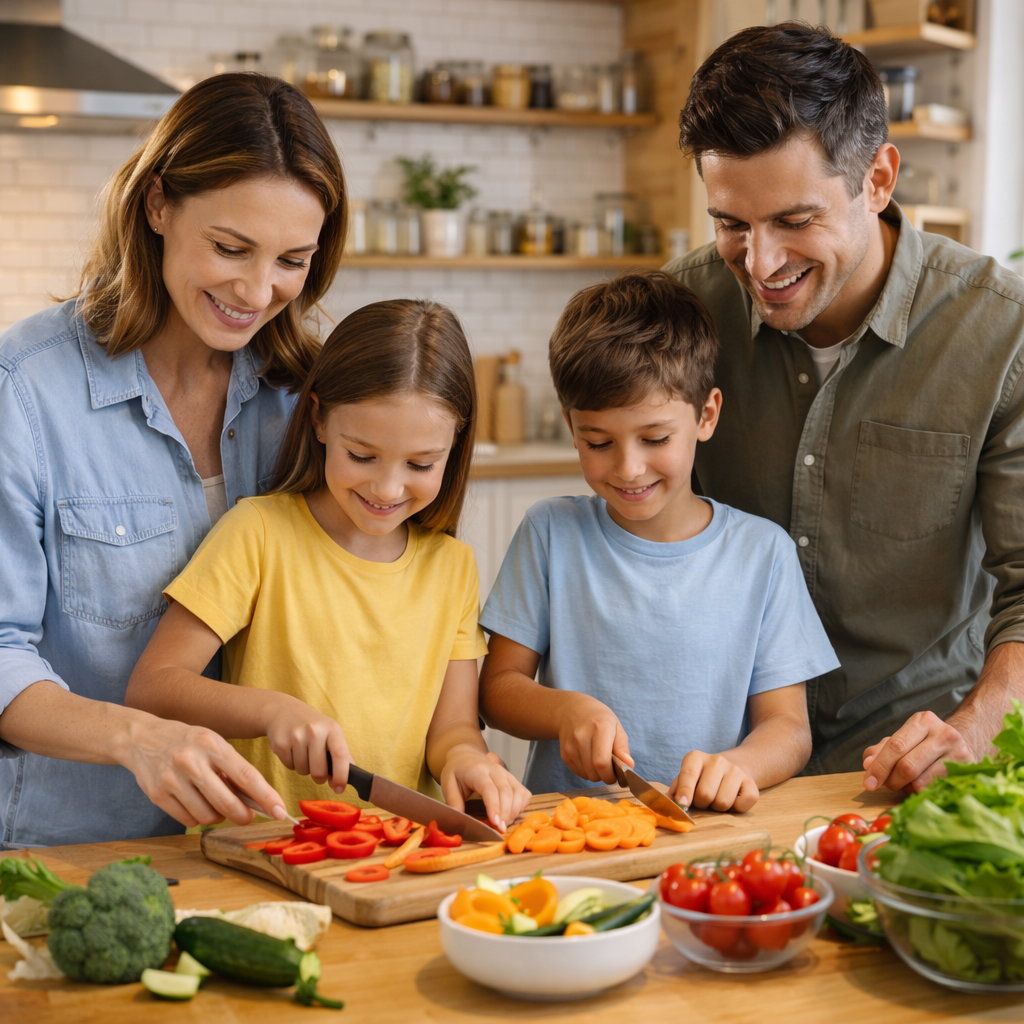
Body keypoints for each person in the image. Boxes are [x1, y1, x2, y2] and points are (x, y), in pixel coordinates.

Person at [669, 23, 1024, 793]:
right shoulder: (683, 307)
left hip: (914, 769)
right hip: (725, 771)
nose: (760, 264)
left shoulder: (1000, 329)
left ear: (878, 179)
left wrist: (980, 724)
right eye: (732, 223)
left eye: (795, 220)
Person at [0, 73, 347, 848]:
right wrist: (135, 738)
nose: (257, 291)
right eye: (230, 248)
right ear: (157, 204)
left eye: (292, 260)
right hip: (75, 847)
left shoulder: (313, 402)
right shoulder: (23, 391)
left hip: (270, 843)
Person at [125, 300, 532, 832]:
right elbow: (154, 686)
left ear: (455, 445)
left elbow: (452, 727)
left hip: (395, 854)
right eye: (362, 456)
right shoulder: (260, 533)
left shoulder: (452, 566)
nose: (387, 489)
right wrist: (272, 711)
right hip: (263, 848)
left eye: (420, 464)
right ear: (317, 417)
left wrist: (467, 759)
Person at [477, 272, 839, 811]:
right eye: (598, 442)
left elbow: (788, 729)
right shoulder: (550, 533)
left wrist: (740, 766)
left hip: (706, 828)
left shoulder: (764, 553)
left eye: (655, 438)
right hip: (572, 831)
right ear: (571, 427)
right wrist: (567, 711)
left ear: (706, 415)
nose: (628, 468)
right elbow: (497, 689)